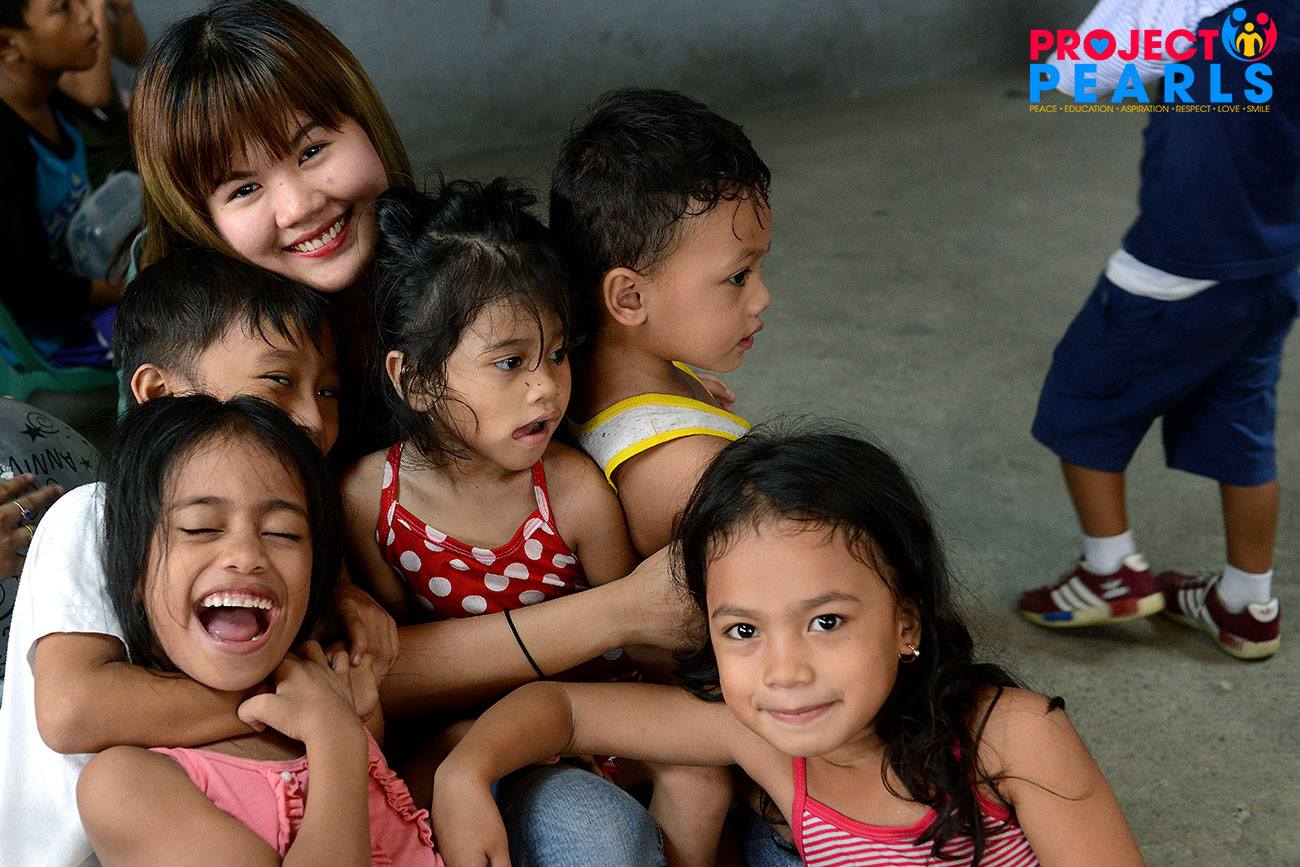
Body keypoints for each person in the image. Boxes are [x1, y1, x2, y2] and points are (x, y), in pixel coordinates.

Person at [430, 424, 1144, 867]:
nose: (784, 671)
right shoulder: (763, 738)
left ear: (907, 619)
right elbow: (561, 709)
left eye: (826, 621)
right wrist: (465, 774)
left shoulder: (1009, 735)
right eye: (743, 630)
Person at [346, 179, 723, 866]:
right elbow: (403, 656)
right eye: (509, 362)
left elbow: (643, 644)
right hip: (470, 734)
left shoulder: (571, 491)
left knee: (700, 776)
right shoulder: (371, 499)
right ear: (416, 380)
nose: (545, 386)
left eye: (556, 353)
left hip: (592, 720)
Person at [0, 248, 395, 867]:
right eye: (277, 382)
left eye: (328, 390)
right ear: (159, 394)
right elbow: (74, 709)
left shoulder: (287, 543)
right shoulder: (96, 513)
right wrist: (308, 704)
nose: (313, 418)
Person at [1019, 0, 1297, 661]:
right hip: (1274, 264)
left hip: (1177, 266)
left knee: (1083, 398)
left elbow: (1071, 75)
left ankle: (1109, 571)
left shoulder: (1187, 7)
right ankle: (1247, 603)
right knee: (1243, 424)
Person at [75, 394, 443, 865]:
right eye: (200, 527)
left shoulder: (339, 695)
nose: (247, 555)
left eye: (283, 533)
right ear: (135, 575)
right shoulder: (124, 786)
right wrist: (336, 740)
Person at [127, 0, 412, 457]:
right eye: (243, 190)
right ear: (198, 221)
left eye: (311, 151)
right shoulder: (189, 354)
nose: (298, 207)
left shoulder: (465, 262)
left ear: (366, 123)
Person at [554, 87, 772, 557]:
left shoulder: (594, 374)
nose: (763, 298)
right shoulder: (690, 473)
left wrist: (685, 397)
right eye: (738, 277)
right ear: (629, 298)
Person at [0, 0, 119, 367]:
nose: (86, 13)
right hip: (52, 337)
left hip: (81, 286)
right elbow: (36, 297)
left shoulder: (48, 97)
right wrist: (132, 283)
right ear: (7, 44)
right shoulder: (6, 145)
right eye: (62, 8)